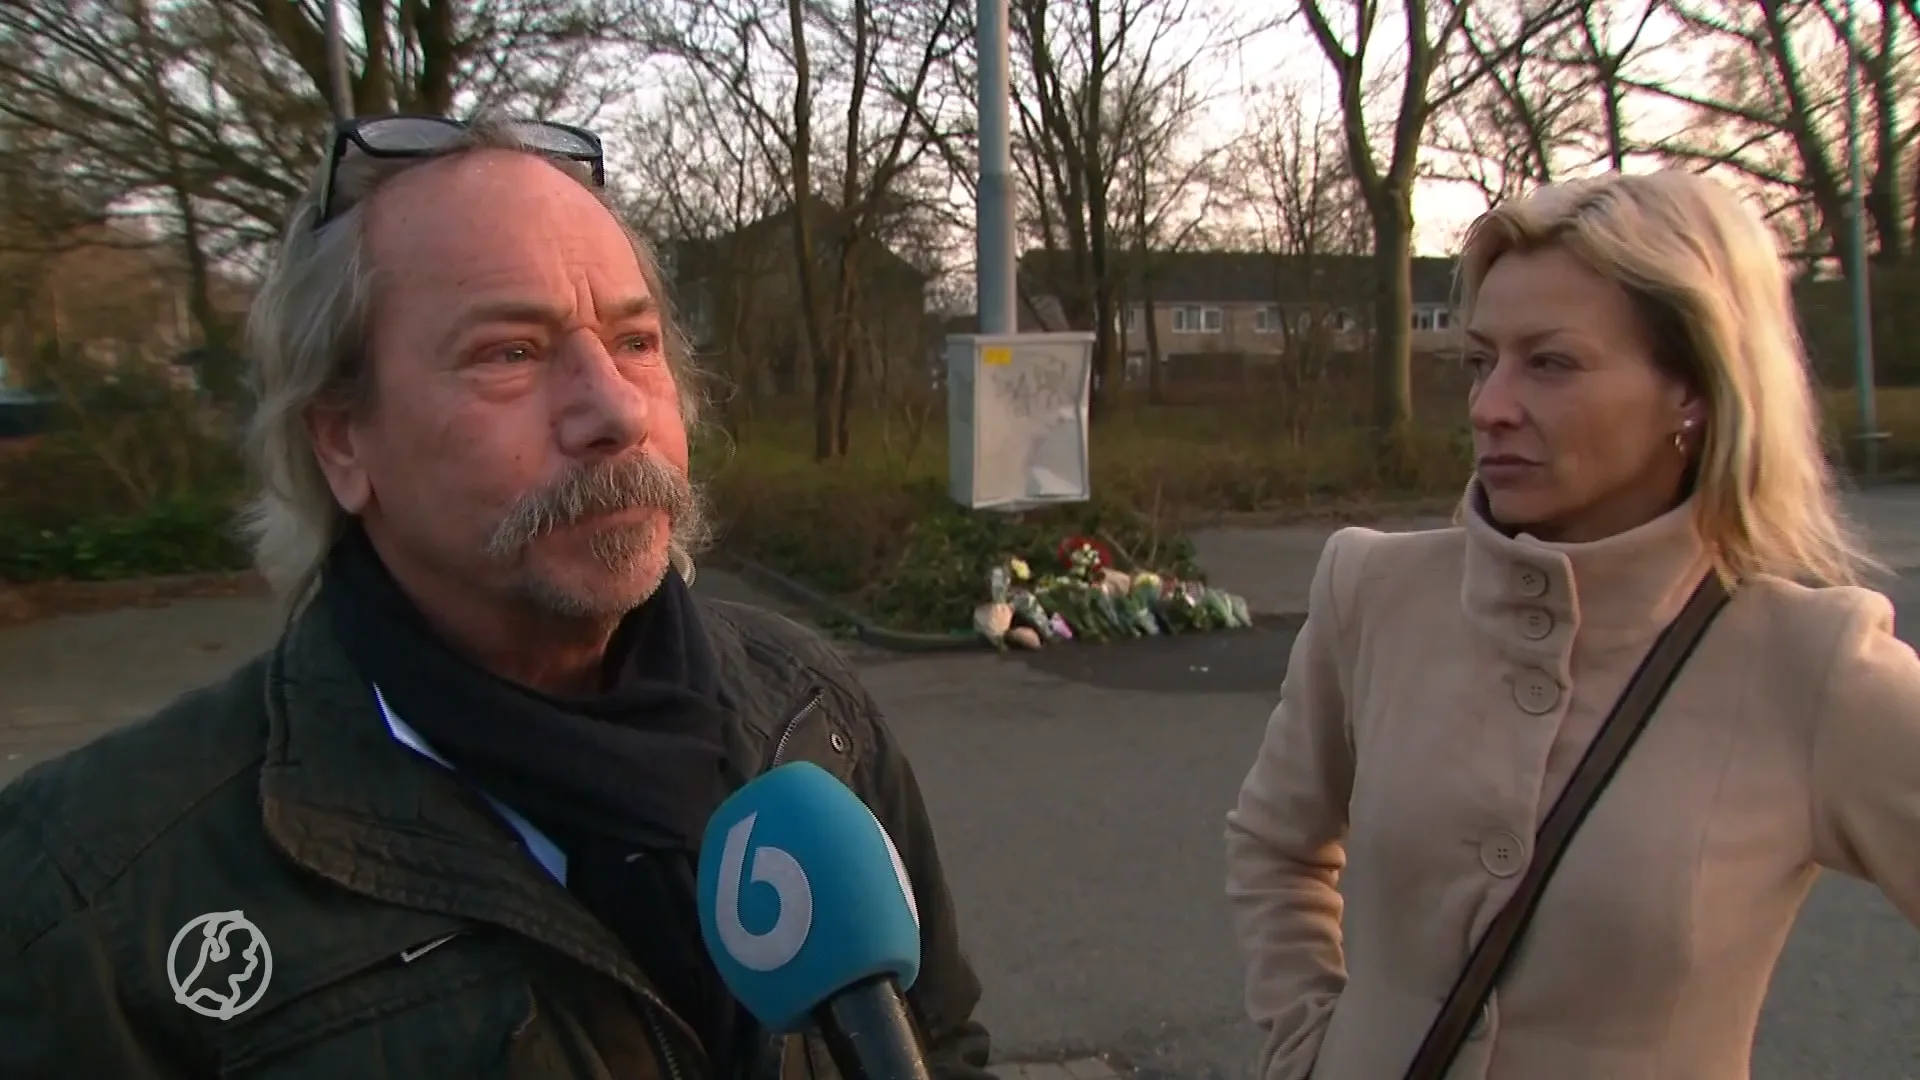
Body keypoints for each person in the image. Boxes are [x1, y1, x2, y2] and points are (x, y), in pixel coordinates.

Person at [0, 115, 996, 1080]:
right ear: (341, 440)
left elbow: (944, 1044)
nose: (615, 410)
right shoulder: (93, 901)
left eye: (636, 342)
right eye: (509, 352)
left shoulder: (810, 709)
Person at [1224, 169, 1920, 1080]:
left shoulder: (1818, 669)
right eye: (1481, 361)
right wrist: (1306, 1047)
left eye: (1549, 363)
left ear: (1694, 389)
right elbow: (1276, 844)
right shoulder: (1373, 593)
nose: (1489, 407)